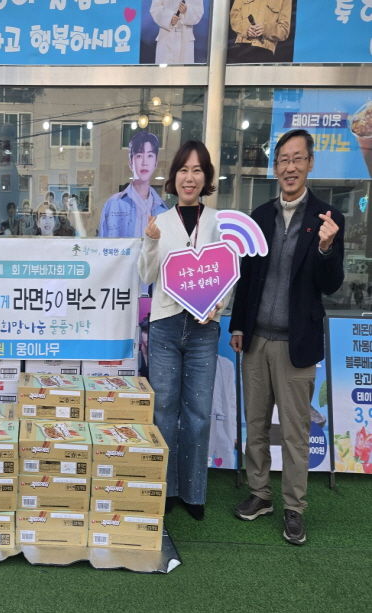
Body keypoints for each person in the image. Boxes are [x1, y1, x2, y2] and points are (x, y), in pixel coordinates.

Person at [229, 129, 344, 545]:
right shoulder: (260, 216)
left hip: (297, 344)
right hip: (256, 340)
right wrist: (238, 325)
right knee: (256, 424)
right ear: (275, 167)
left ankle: (294, 507)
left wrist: (327, 249)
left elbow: (331, 285)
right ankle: (260, 494)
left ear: (310, 163)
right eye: (283, 160)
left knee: (295, 432)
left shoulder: (328, 218)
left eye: (297, 159)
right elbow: (246, 277)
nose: (290, 167)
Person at [138, 140, 228, 520]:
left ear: (206, 177)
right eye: (183, 170)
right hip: (165, 325)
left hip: (205, 326)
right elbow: (147, 275)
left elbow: (229, 271)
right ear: (173, 176)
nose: (189, 178)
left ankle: (193, 492)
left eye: (197, 170)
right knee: (164, 410)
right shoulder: (160, 222)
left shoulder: (218, 221)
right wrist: (151, 242)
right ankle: (168, 489)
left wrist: (219, 305)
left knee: (199, 413)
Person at [98, 131, 168, 239]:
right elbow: (103, 245)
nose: (145, 162)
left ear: (156, 162)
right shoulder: (113, 204)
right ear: (131, 162)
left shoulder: (163, 210)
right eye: (139, 156)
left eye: (150, 155)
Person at [150, 0, 204, 64]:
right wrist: (169, 18)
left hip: (185, 39)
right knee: (164, 69)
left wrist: (186, 10)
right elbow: (155, 9)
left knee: (184, 69)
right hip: (166, 37)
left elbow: (199, 12)